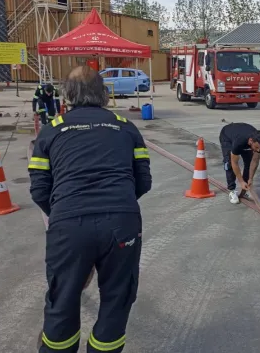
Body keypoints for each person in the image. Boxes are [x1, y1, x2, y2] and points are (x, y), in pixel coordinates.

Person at [29, 66, 152, 353]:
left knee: (63, 301)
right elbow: (143, 181)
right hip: (122, 224)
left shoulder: (52, 130)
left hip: (69, 226)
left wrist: (62, 211)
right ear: (104, 94)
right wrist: (117, 203)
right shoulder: (126, 127)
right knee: (117, 299)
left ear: (67, 95)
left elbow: (38, 190)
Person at [219, 122, 260, 204]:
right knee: (229, 162)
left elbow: (255, 161)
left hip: (242, 133)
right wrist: (241, 181)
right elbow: (235, 162)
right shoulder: (239, 142)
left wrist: (250, 178)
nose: (258, 150)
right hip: (227, 136)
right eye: (256, 148)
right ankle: (232, 190)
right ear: (251, 141)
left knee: (248, 162)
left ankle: (244, 190)